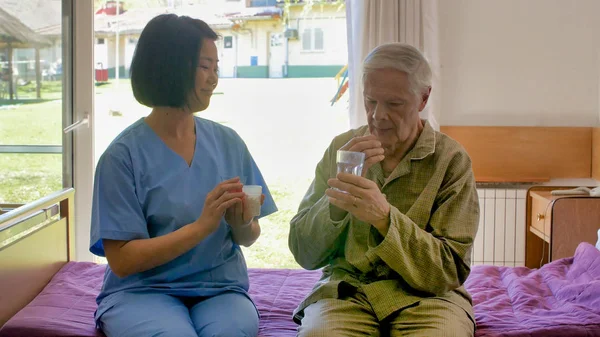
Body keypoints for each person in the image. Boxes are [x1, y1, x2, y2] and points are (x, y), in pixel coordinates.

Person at [89, 14, 277, 337]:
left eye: (216, 68)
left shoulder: (228, 143)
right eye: (205, 66)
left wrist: (241, 222)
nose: (214, 78)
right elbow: (121, 260)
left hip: (220, 289)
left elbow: (249, 234)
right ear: (171, 65)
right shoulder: (122, 158)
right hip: (141, 292)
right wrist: (202, 227)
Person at [289, 43, 480, 337]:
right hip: (347, 291)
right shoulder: (342, 150)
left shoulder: (450, 160)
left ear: (423, 98)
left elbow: (449, 270)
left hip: (428, 298)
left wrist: (384, 218)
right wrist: (336, 204)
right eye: (370, 101)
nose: (377, 116)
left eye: (394, 104)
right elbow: (303, 252)